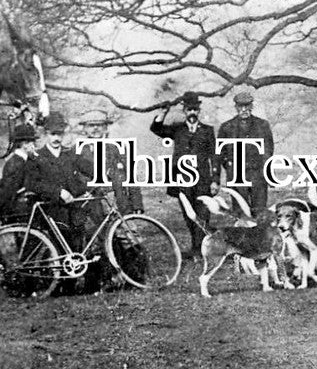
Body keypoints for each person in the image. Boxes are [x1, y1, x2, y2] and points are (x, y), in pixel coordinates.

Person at [151, 91, 219, 257]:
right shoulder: (177, 129)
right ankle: (197, 246)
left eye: (195, 109)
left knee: (202, 213)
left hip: (203, 179)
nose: (192, 113)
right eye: (189, 109)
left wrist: (215, 180)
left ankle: (200, 248)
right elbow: (156, 129)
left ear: (199, 111)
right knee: (188, 214)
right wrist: (163, 112)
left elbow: (214, 156)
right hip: (182, 178)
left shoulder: (208, 131)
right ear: (184, 111)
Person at [26, 112, 91, 248]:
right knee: (57, 252)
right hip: (51, 212)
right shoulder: (36, 157)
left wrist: (108, 176)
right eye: (53, 134)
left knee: (78, 251)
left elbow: (90, 170)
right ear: (46, 134)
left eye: (60, 134)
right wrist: (58, 191)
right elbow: (31, 184)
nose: (57, 138)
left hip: (74, 212)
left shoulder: (71, 154)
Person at [74, 109, 143, 214]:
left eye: (100, 125)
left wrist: (137, 204)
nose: (95, 128)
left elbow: (131, 176)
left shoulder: (117, 148)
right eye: (91, 125)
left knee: (126, 229)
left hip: (119, 204)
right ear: (85, 129)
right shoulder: (76, 151)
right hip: (92, 206)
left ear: (105, 128)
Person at [217, 91, 274, 215]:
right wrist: (230, 167)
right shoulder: (226, 127)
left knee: (259, 212)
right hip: (237, 176)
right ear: (236, 107)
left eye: (247, 106)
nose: (244, 109)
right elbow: (221, 153)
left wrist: (266, 172)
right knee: (240, 211)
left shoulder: (262, 125)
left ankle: (259, 234)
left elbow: (268, 150)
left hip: (257, 175)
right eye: (240, 106)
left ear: (251, 106)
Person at [0, 123, 38, 221]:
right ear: (24, 144)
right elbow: (8, 192)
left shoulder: (24, 160)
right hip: (17, 212)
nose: (34, 146)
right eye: (32, 143)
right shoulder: (16, 163)